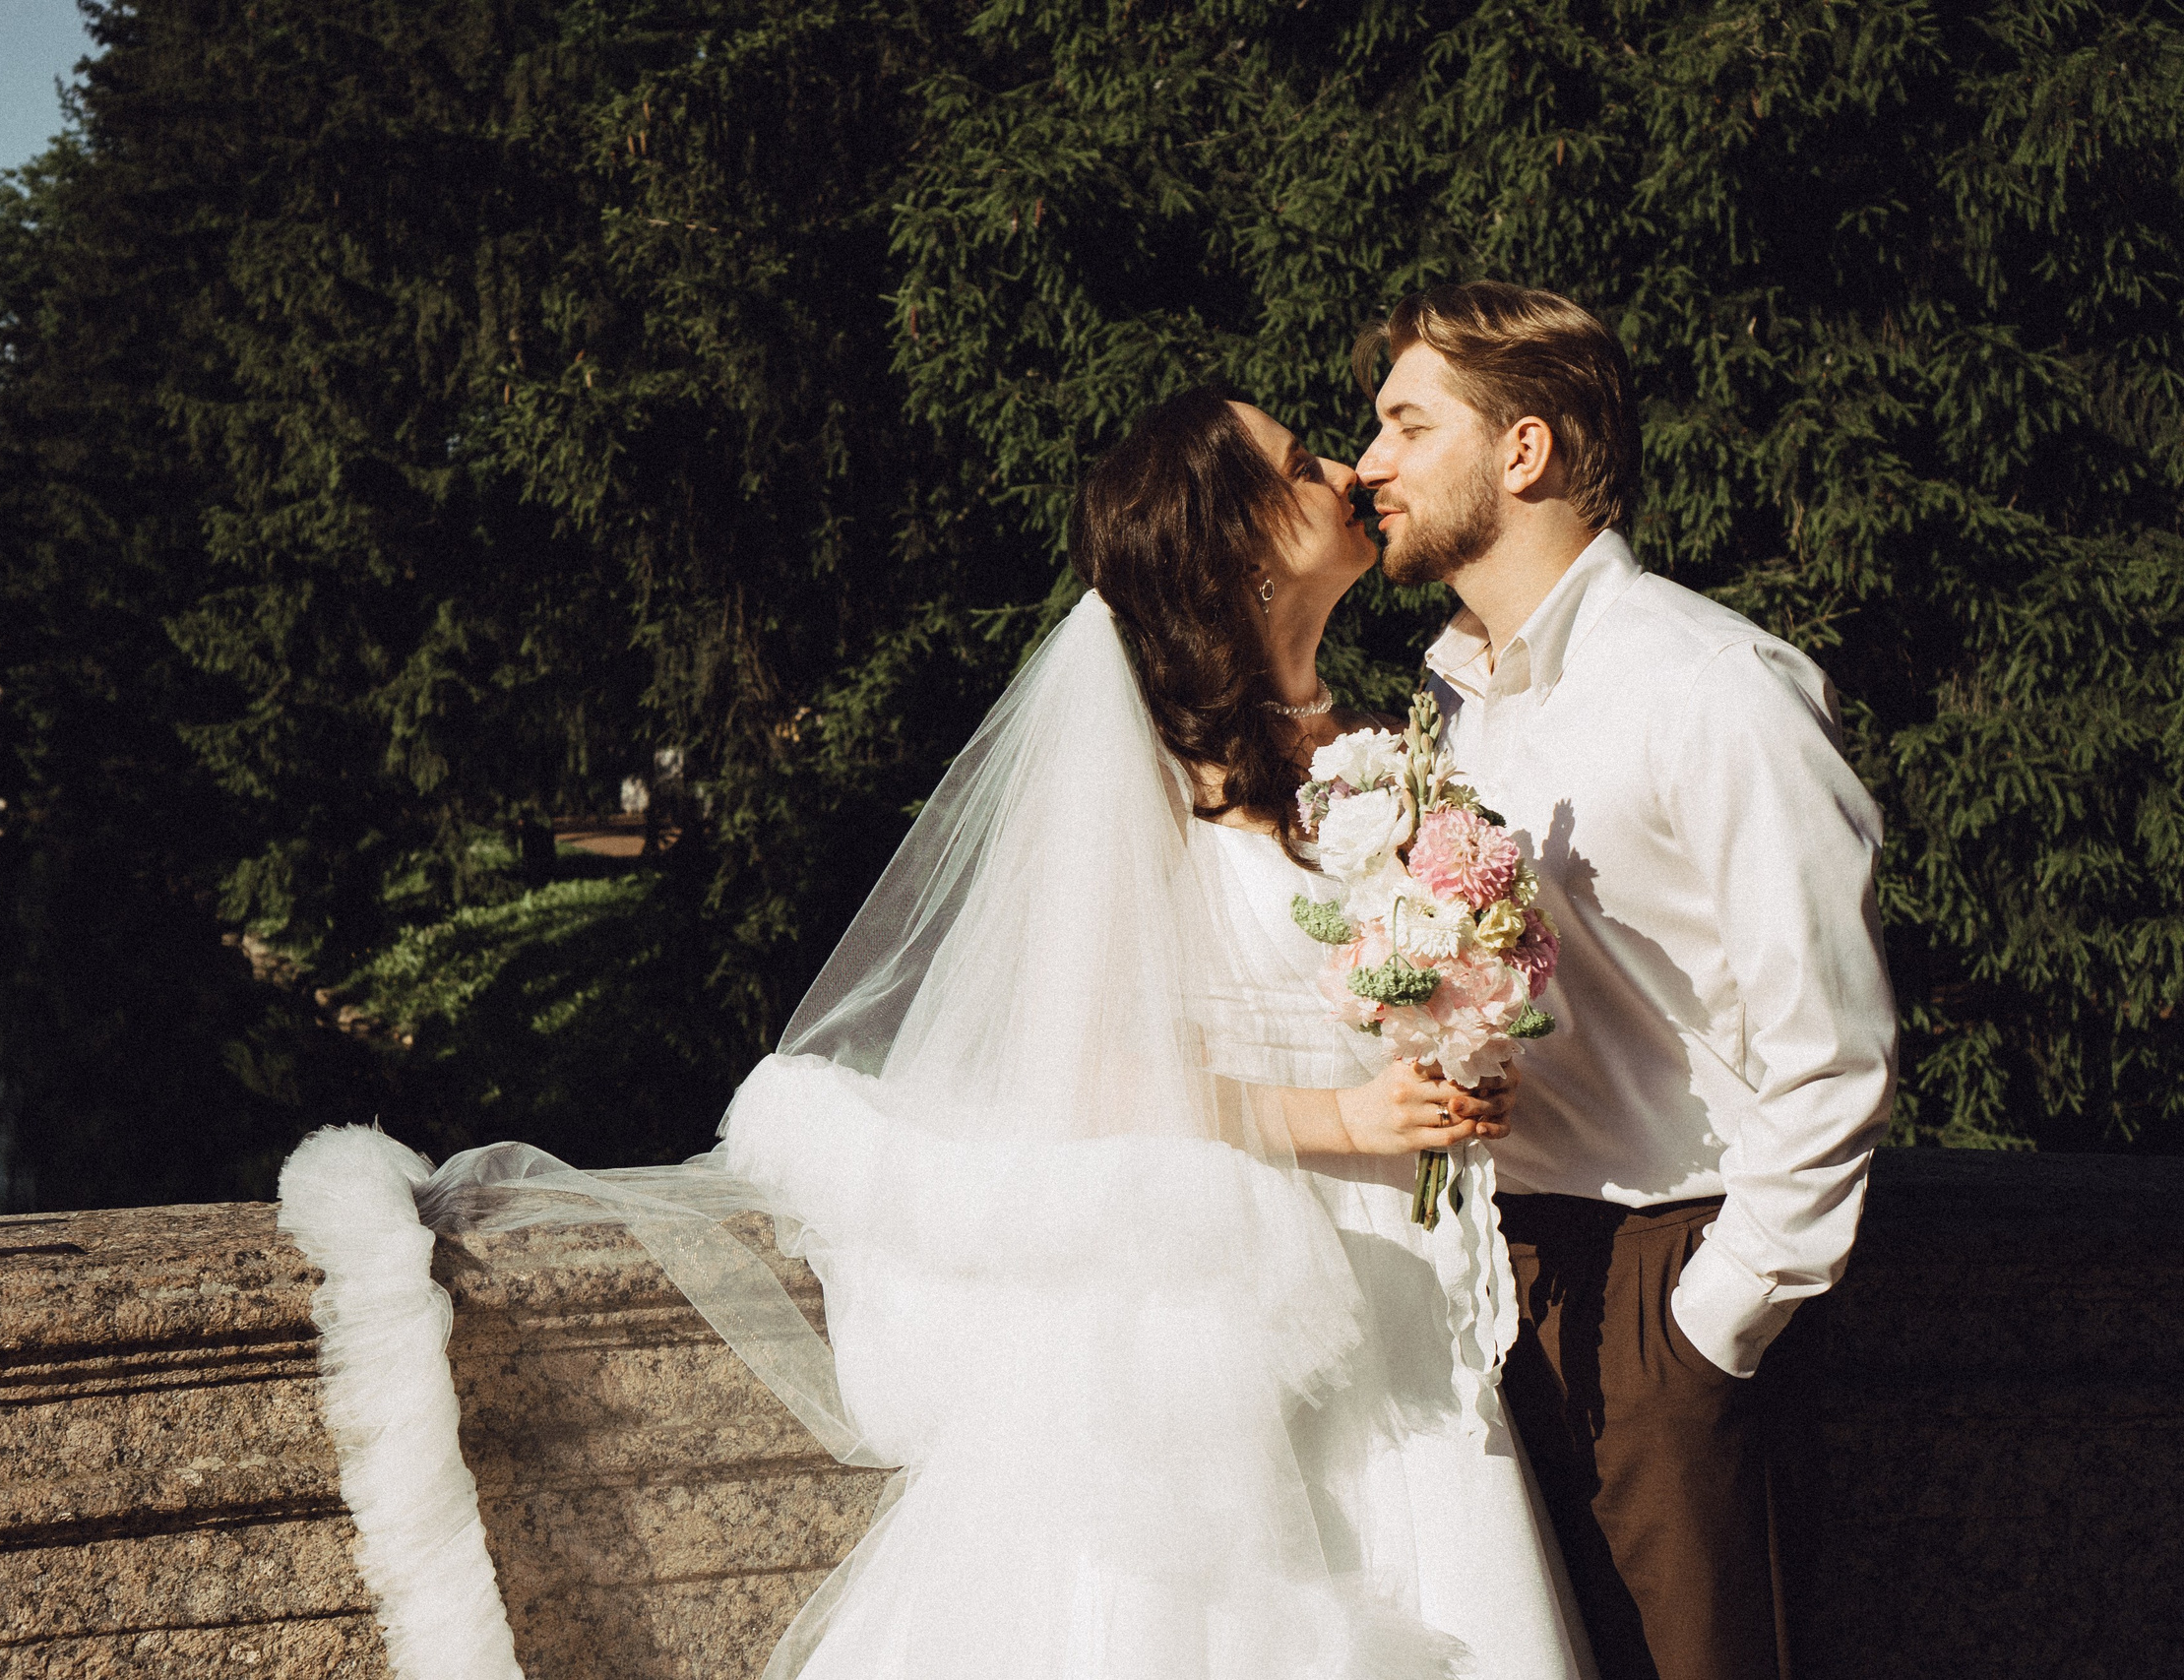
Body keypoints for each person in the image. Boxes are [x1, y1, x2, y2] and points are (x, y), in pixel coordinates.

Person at [281, 388, 1591, 1680]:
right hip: (1226, 1285)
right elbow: (1092, 1066)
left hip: (1408, 1269)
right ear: (1236, 545)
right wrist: (1340, 1119)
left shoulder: (1379, 747)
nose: (1340, 473)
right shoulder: (1139, 768)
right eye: (1298, 464)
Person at [1352, 280, 1898, 1680]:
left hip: (1669, 1279)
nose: (1369, 467)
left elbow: (1831, 1045)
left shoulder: (1715, 685)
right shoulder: (1451, 708)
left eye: (1409, 426)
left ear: (1521, 450)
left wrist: (1716, 1324)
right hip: (1489, 1286)